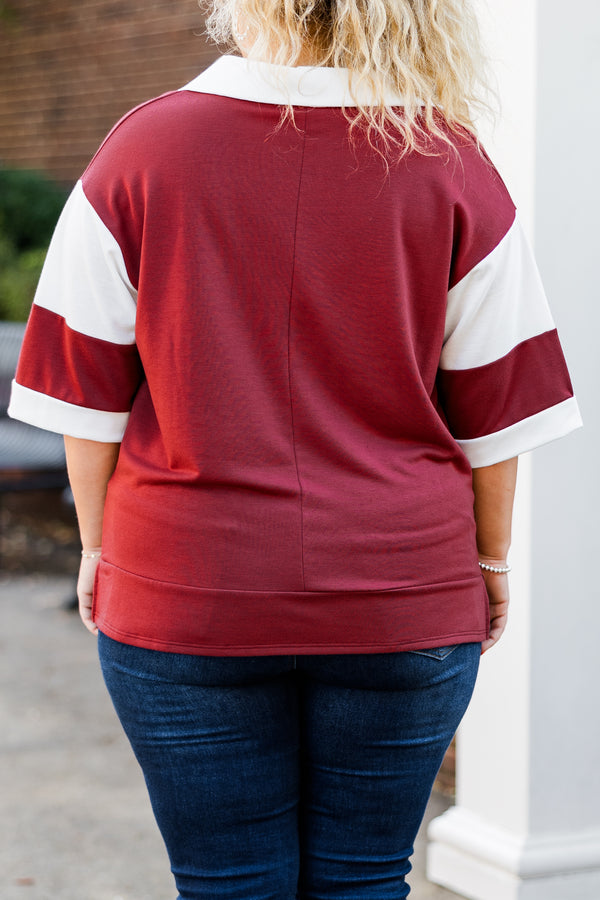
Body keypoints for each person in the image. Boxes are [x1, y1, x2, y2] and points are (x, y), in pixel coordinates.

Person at [9, 1, 582, 897]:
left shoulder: (140, 149)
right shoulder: (449, 160)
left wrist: (95, 546)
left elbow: (83, 397)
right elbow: (498, 410)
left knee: (228, 885)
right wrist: (490, 558)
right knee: (364, 880)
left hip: (185, 587)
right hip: (402, 592)